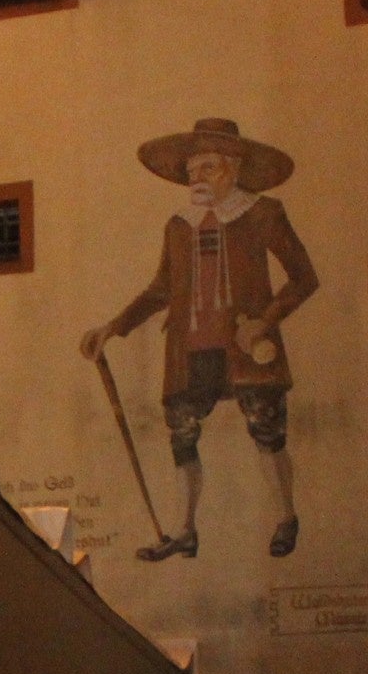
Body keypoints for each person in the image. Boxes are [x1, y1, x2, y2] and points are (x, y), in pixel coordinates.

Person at [80, 118, 319, 560]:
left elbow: (304, 278)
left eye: (206, 167)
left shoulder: (263, 213)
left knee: (266, 432)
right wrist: (112, 328)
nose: (195, 178)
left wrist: (264, 323)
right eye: (190, 171)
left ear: (232, 168)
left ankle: (286, 517)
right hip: (190, 349)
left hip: (246, 347)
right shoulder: (179, 225)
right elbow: (161, 289)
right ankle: (184, 530)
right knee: (182, 436)